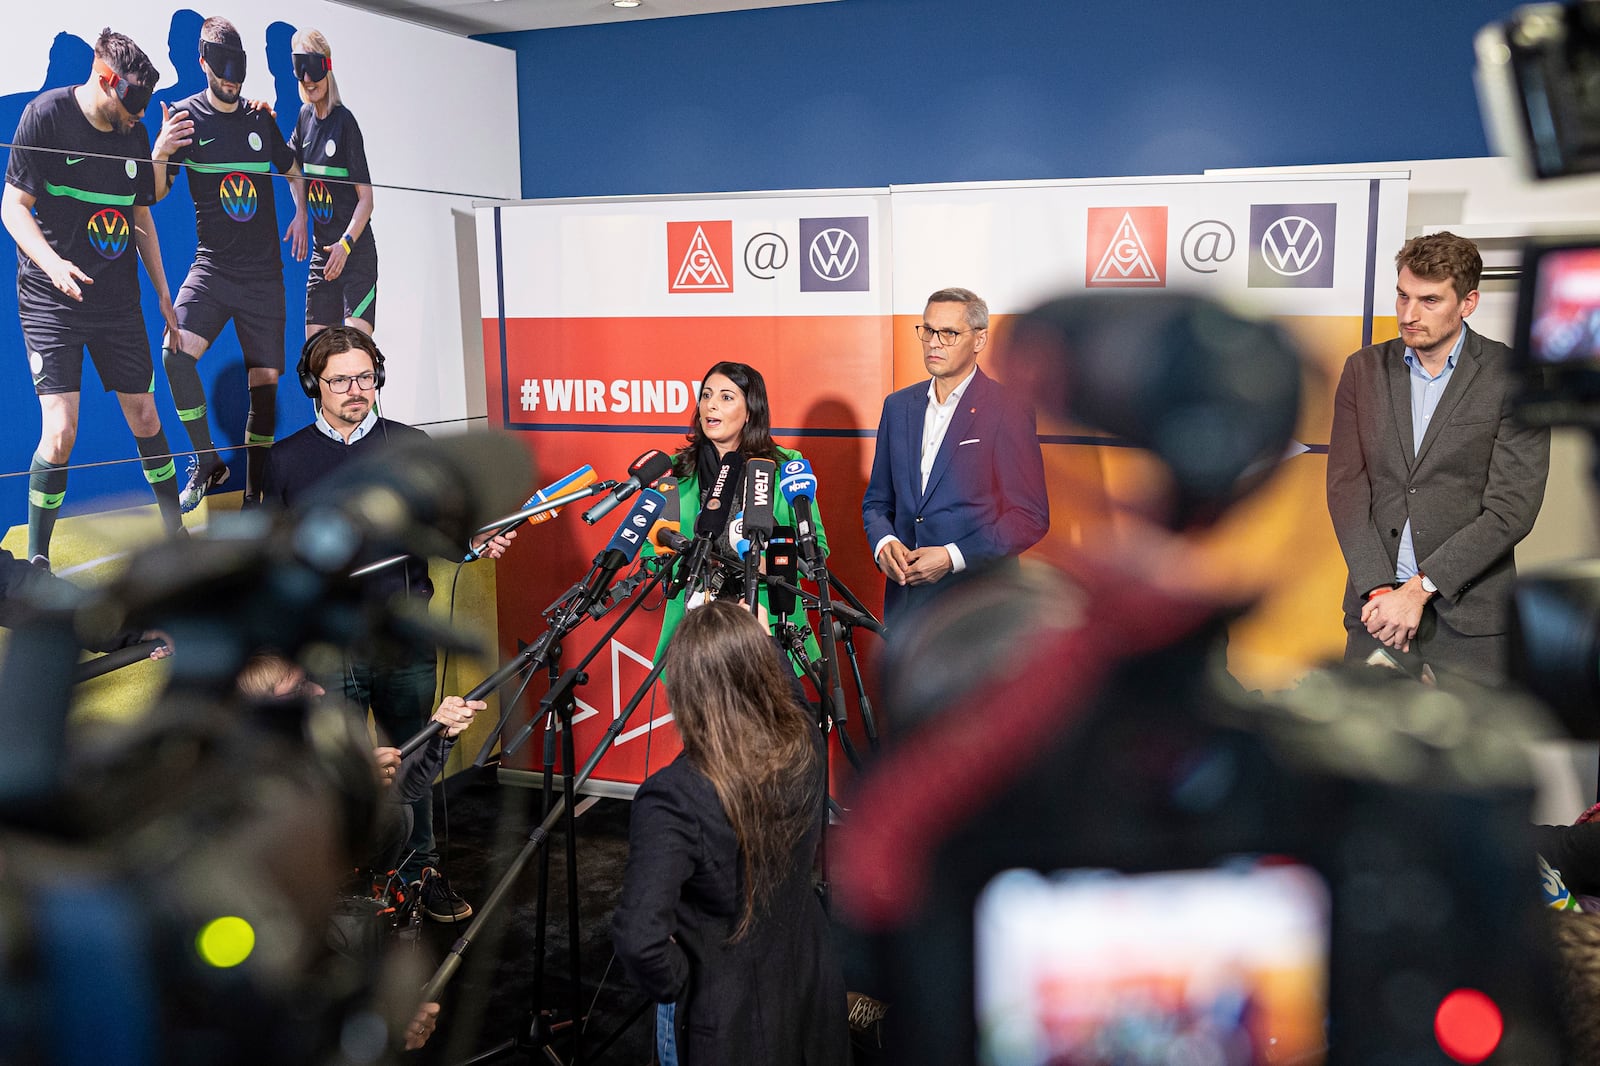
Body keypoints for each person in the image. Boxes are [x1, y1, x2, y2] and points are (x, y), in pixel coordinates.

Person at [258, 326, 513, 922]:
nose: (356, 390)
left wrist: (475, 543)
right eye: (341, 379)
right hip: (329, 647)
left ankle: (420, 869)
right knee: (345, 766)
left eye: (365, 377)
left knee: (415, 755)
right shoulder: (287, 459)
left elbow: (446, 533)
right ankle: (350, 876)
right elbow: (272, 554)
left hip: (403, 637)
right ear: (313, 385)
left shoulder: (410, 446)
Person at [612, 599, 848, 1066]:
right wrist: (760, 640)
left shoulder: (673, 796)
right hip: (810, 981)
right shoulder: (806, 743)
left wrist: (686, 978)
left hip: (726, 1015)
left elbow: (640, 939)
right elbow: (795, 700)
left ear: (684, 689)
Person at [1327, 232, 1550, 686]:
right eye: (1403, 296)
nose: (1409, 315)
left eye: (1429, 301)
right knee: (1365, 754)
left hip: (1470, 618)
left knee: (1480, 754)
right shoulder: (1362, 370)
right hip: (1377, 611)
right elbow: (1346, 487)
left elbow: (1511, 509)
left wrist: (1419, 589)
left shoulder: (1513, 377)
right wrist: (1382, 591)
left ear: (1467, 303)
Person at [1, 28, 185, 568]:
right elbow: (12, 207)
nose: (137, 116)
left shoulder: (133, 129)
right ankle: (38, 561)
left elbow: (141, 208)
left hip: (117, 300)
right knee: (59, 433)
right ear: (106, 80)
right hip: (51, 298)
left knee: (147, 417)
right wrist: (53, 264)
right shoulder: (46, 116)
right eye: (132, 103)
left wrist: (163, 293)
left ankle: (178, 538)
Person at [235, 652, 475, 1050]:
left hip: (359, 916)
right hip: (310, 957)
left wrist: (440, 731)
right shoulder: (251, 802)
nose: (317, 690)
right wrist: (375, 1013)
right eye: (297, 690)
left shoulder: (322, 748)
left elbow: (405, 790)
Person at [151, 16, 299, 512]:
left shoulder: (260, 118)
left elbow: (293, 169)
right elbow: (152, 193)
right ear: (204, 65)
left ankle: (254, 496)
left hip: (264, 276)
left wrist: (300, 213)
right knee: (175, 355)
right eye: (224, 72)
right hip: (212, 269)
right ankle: (208, 459)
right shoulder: (185, 121)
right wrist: (160, 149)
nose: (233, 82)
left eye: (239, 72)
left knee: (265, 389)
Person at [862, 286, 1050, 628]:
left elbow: (1029, 516)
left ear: (979, 340)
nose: (934, 342)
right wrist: (884, 543)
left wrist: (952, 557)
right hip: (907, 606)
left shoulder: (1007, 408)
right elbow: (877, 501)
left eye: (949, 333)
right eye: (928, 330)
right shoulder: (898, 406)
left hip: (977, 606)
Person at [652, 361, 827, 675]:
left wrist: (769, 563)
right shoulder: (676, 472)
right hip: (698, 637)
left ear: (750, 412)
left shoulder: (788, 465)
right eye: (706, 395)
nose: (711, 405)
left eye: (726, 397)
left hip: (769, 628)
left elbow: (816, 551)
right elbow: (654, 555)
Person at [284, 29, 376, 337]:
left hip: (355, 253)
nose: (308, 79)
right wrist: (300, 213)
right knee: (316, 355)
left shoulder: (345, 123)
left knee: (355, 349)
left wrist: (345, 245)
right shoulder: (303, 118)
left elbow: (367, 199)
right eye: (300, 69)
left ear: (327, 67)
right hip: (322, 256)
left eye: (314, 68)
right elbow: (291, 169)